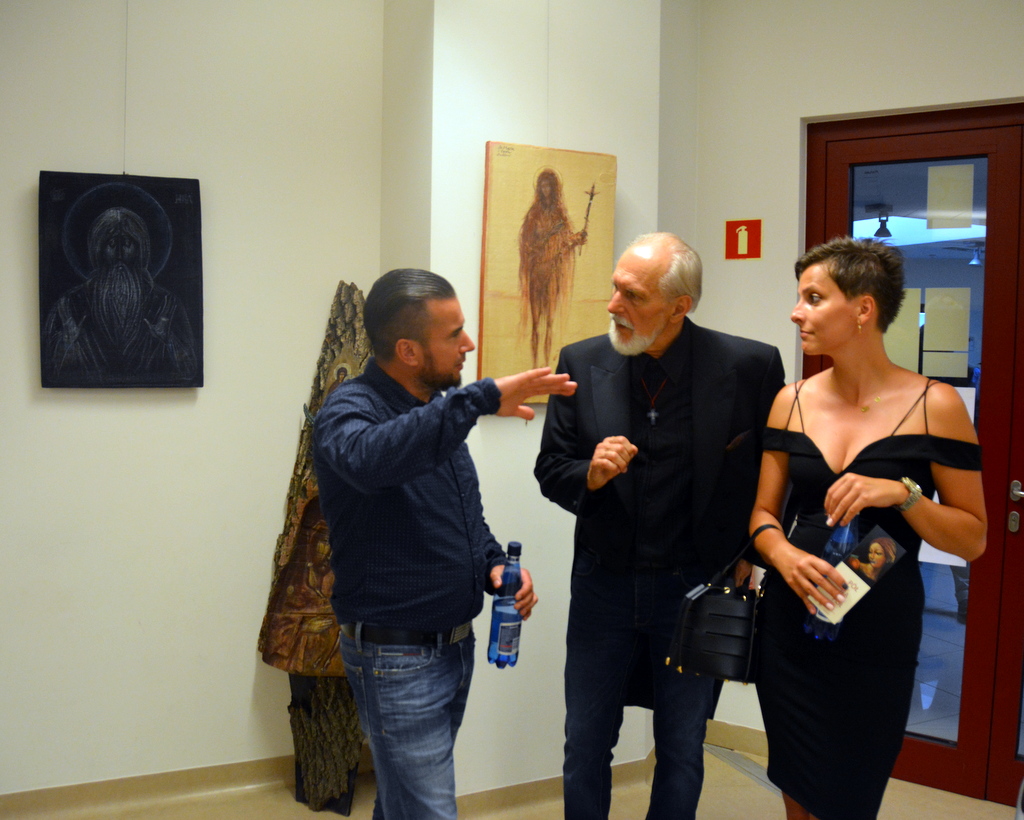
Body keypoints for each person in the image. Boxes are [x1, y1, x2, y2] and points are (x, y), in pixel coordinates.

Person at [534, 232, 785, 820]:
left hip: (696, 589)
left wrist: (751, 554)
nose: (614, 305)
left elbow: (771, 475)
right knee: (585, 744)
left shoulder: (749, 366)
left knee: (682, 747)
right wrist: (591, 474)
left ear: (679, 306)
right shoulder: (581, 361)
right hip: (603, 586)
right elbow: (551, 469)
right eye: (615, 288)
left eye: (634, 296)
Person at [312, 268, 577, 820]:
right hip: (396, 656)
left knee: (403, 803)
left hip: (453, 647)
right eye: (454, 333)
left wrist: (495, 565)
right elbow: (373, 460)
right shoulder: (348, 410)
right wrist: (478, 400)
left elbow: (461, 519)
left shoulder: (436, 414)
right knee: (428, 811)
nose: (469, 344)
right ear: (408, 350)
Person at [749, 237, 987, 820]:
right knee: (797, 790)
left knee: (851, 797)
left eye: (813, 298)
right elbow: (761, 516)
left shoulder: (935, 405)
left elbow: (972, 537)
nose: (796, 312)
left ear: (863, 309)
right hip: (791, 623)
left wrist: (903, 495)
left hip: (878, 633)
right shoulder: (790, 401)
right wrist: (782, 556)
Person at [519, 167, 589, 366]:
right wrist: (544, 241)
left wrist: (578, 238)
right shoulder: (534, 214)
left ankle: (546, 367)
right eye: (543, 186)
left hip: (553, 272)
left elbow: (565, 242)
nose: (546, 190)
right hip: (537, 272)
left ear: (554, 188)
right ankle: (534, 366)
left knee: (549, 322)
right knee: (536, 323)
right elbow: (526, 244)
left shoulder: (560, 215)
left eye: (549, 186)